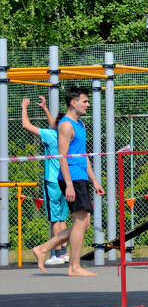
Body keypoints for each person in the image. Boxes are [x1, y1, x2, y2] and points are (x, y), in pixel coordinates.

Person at [31, 87, 104, 276]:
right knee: (80, 222)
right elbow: (62, 156)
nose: (88, 104)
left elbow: (83, 154)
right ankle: (74, 267)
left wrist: (94, 180)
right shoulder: (65, 125)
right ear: (74, 103)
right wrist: (69, 184)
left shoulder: (80, 125)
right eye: (85, 101)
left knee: (84, 224)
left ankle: (43, 248)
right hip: (71, 178)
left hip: (81, 176)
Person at [21, 97, 69, 266]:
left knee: (55, 219)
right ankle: (64, 252)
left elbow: (26, 125)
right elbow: (55, 125)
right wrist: (45, 109)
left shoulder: (50, 135)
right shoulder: (68, 136)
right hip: (66, 180)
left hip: (52, 181)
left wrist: (24, 107)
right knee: (62, 218)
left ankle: (57, 253)